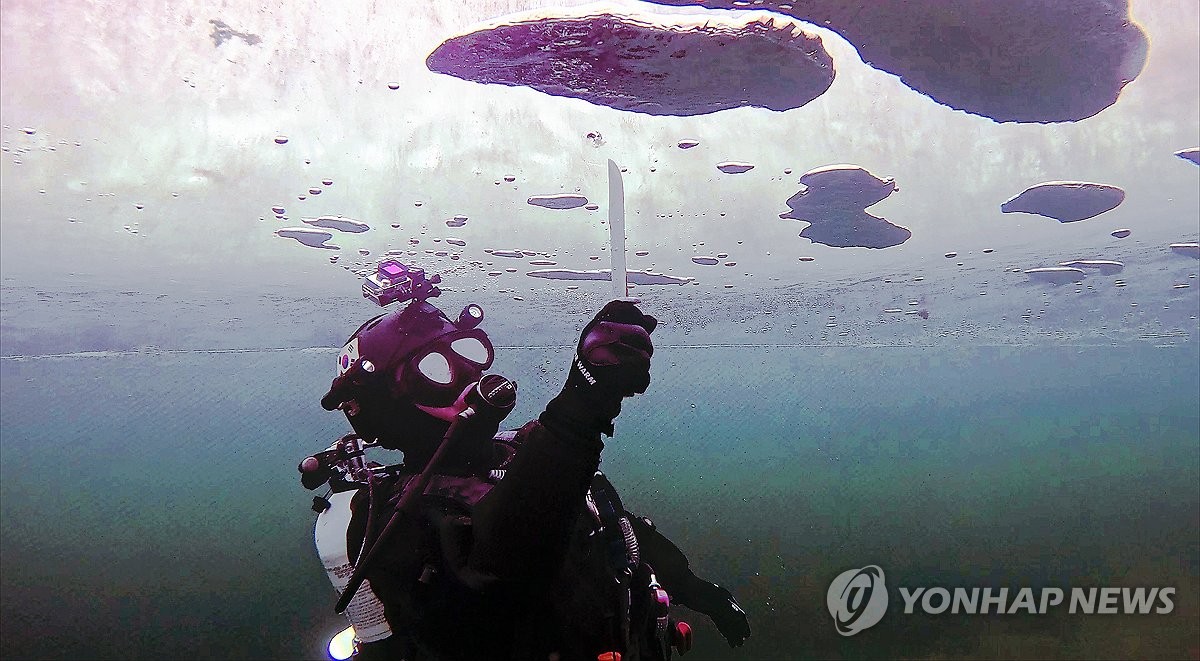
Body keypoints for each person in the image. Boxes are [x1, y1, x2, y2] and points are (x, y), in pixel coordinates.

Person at [313, 296, 750, 660]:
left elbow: (619, 533)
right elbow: (503, 563)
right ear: (388, 409)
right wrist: (585, 401)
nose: (468, 374)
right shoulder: (392, 520)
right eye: (435, 369)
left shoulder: (523, 452)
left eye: (466, 353)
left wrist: (700, 592)